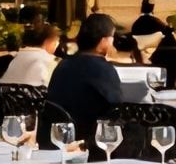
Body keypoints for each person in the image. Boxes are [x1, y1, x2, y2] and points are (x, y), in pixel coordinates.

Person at [46, 14, 124, 142]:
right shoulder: (102, 69)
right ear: (103, 41)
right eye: (112, 37)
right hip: (88, 136)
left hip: (57, 132)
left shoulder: (64, 64)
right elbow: (116, 107)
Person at [0, 23, 61, 87]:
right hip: (35, 92)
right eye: (56, 42)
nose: (56, 46)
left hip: (4, 92)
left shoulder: (17, 57)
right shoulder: (51, 61)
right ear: (48, 42)